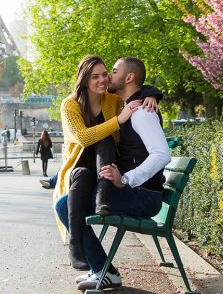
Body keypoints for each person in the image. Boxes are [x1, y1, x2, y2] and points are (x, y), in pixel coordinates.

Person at [53, 55, 161, 276]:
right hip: (81, 167)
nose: (104, 79)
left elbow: (134, 86)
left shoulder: (112, 99)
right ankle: (78, 247)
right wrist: (118, 120)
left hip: (108, 166)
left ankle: (102, 269)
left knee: (105, 140)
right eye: (96, 76)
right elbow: (82, 138)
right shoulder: (70, 105)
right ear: (84, 79)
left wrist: (152, 95)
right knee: (80, 177)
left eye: (106, 74)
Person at [75, 57, 171, 291]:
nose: (108, 77)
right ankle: (102, 269)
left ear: (128, 78)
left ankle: (104, 271)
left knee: (67, 206)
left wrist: (126, 179)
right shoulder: (131, 106)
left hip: (144, 196)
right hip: (137, 192)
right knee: (69, 203)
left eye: (113, 71)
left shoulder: (141, 112)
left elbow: (162, 155)